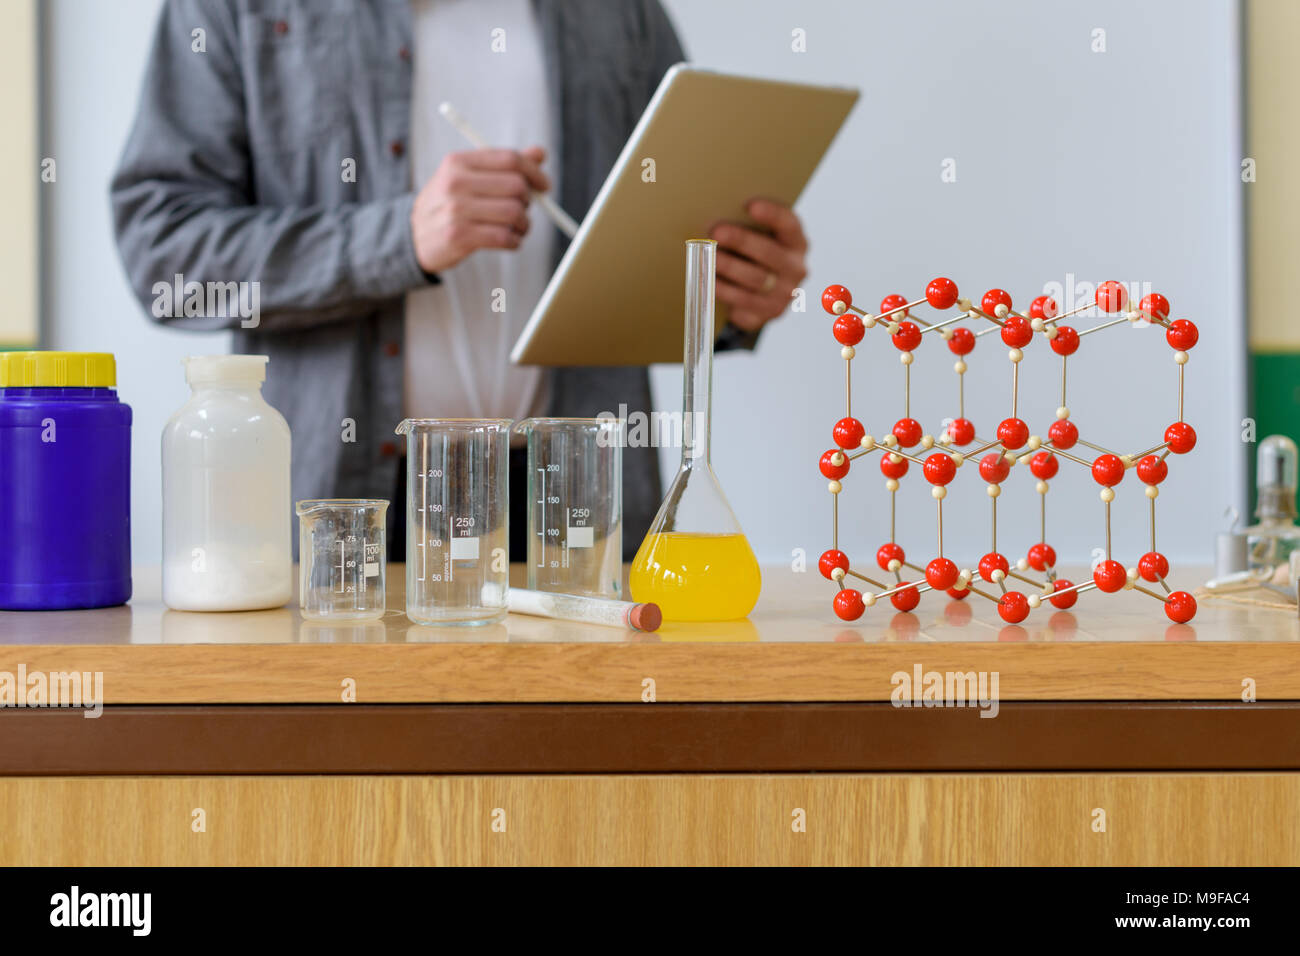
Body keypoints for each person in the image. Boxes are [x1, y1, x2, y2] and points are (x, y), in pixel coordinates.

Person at [111, 0, 809, 561]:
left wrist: (734, 294)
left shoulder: (621, 13)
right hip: (338, 513)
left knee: (592, 739)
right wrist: (399, 238)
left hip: (580, 514)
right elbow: (161, 251)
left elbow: (661, 242)